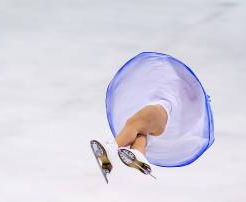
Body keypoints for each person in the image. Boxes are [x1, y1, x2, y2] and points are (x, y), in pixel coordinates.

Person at [91, 51, 215, 182]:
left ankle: (110, 151)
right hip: (163, 123)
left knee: (133, 123)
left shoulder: (168, 94)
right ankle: (138, 155)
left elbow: (166, 73)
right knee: (141, 135)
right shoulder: (184, 103)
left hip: (160, 111)